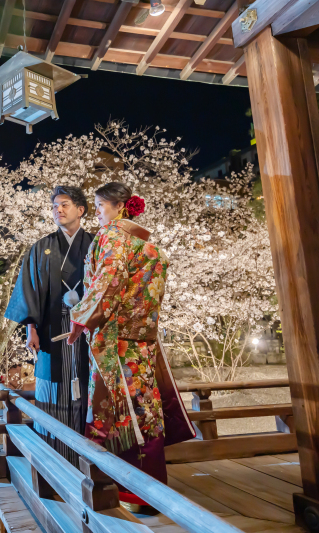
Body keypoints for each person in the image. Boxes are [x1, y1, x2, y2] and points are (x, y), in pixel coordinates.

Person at [67, 182, 194, 508]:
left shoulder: (113, 237)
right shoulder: (149, 247)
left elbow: (108, 279)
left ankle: (124, 489)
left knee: (117, 411)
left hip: (117, 343)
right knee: (144, 409)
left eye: (99, 206)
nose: (96, 212)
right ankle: (150, 489)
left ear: (118, 207)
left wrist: (82, 316)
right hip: (144, 344)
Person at [5, 185, 94, 466]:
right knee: (52, 388)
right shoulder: (40, 248)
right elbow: (28, 289)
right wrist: (31, 327)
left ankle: (89, 458)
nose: (59, 210)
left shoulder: (97, 244)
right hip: (50, 331)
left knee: (88, 385)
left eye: (65, 205)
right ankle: (53, 460)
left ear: (81, 210)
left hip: (89, 330)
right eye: (55, 206)